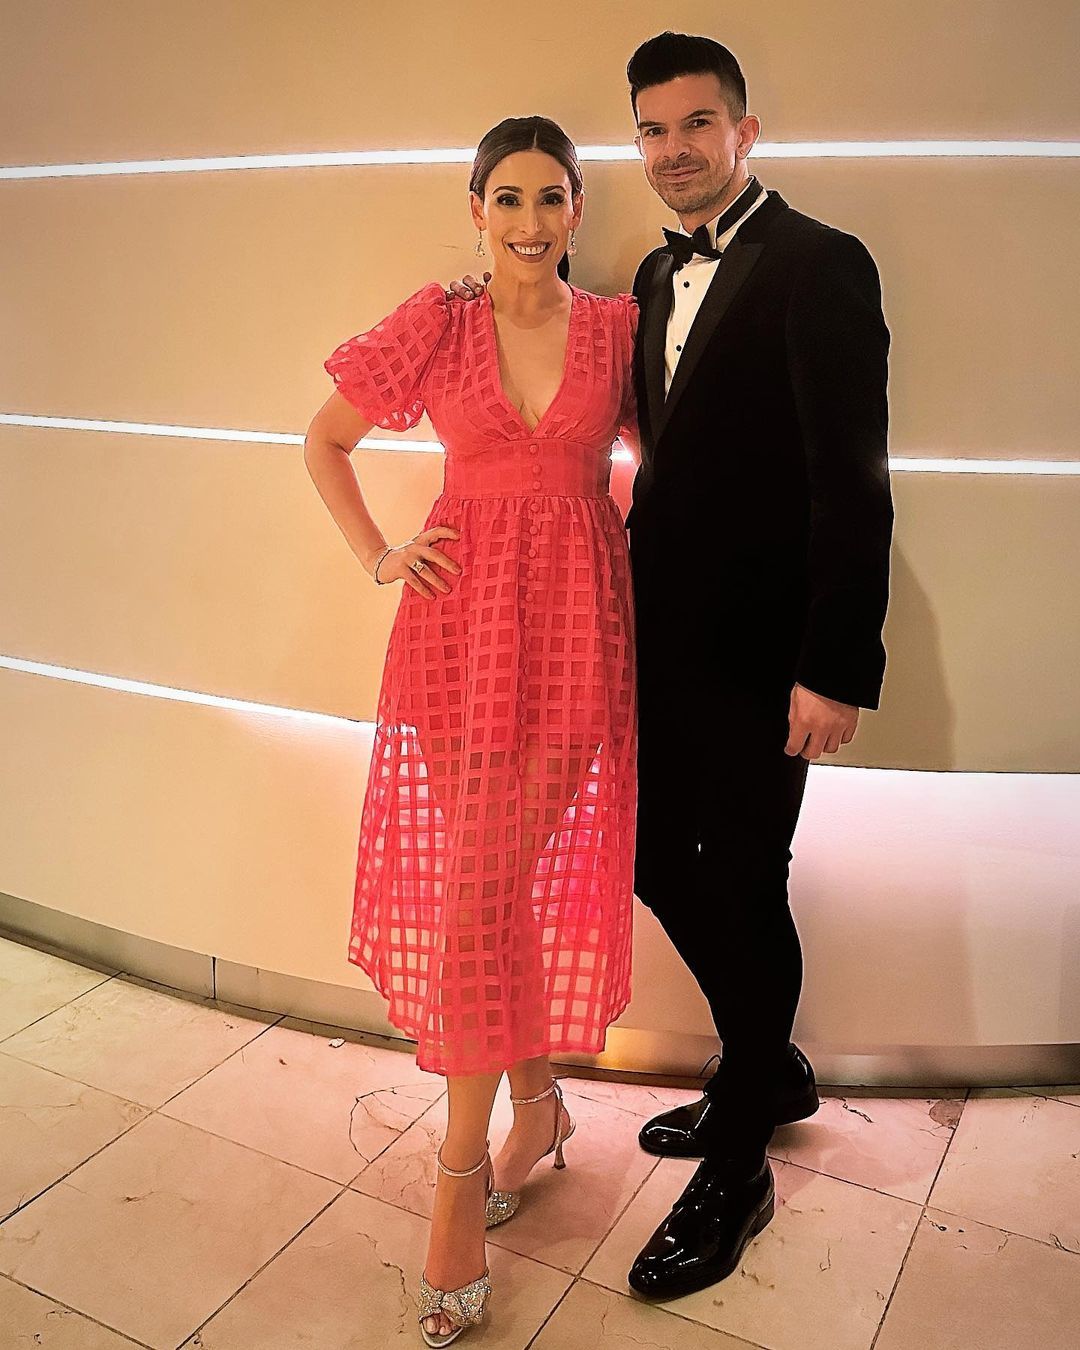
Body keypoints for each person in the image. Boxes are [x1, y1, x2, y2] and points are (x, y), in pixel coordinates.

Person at [303, 116, 639, 1345]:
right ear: (477, 208)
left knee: (485, 889)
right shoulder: (437, 323)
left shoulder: (619, 329)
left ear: (578, 209)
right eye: (509, 198)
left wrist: (613, 543)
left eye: (552, 198)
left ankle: (458, 1176)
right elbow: (325, 441)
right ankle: (534, 1108)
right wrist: (381, 553)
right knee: (488, 887)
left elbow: (680, 460)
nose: (530, 222)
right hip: (454, 638)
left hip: (574, 640)